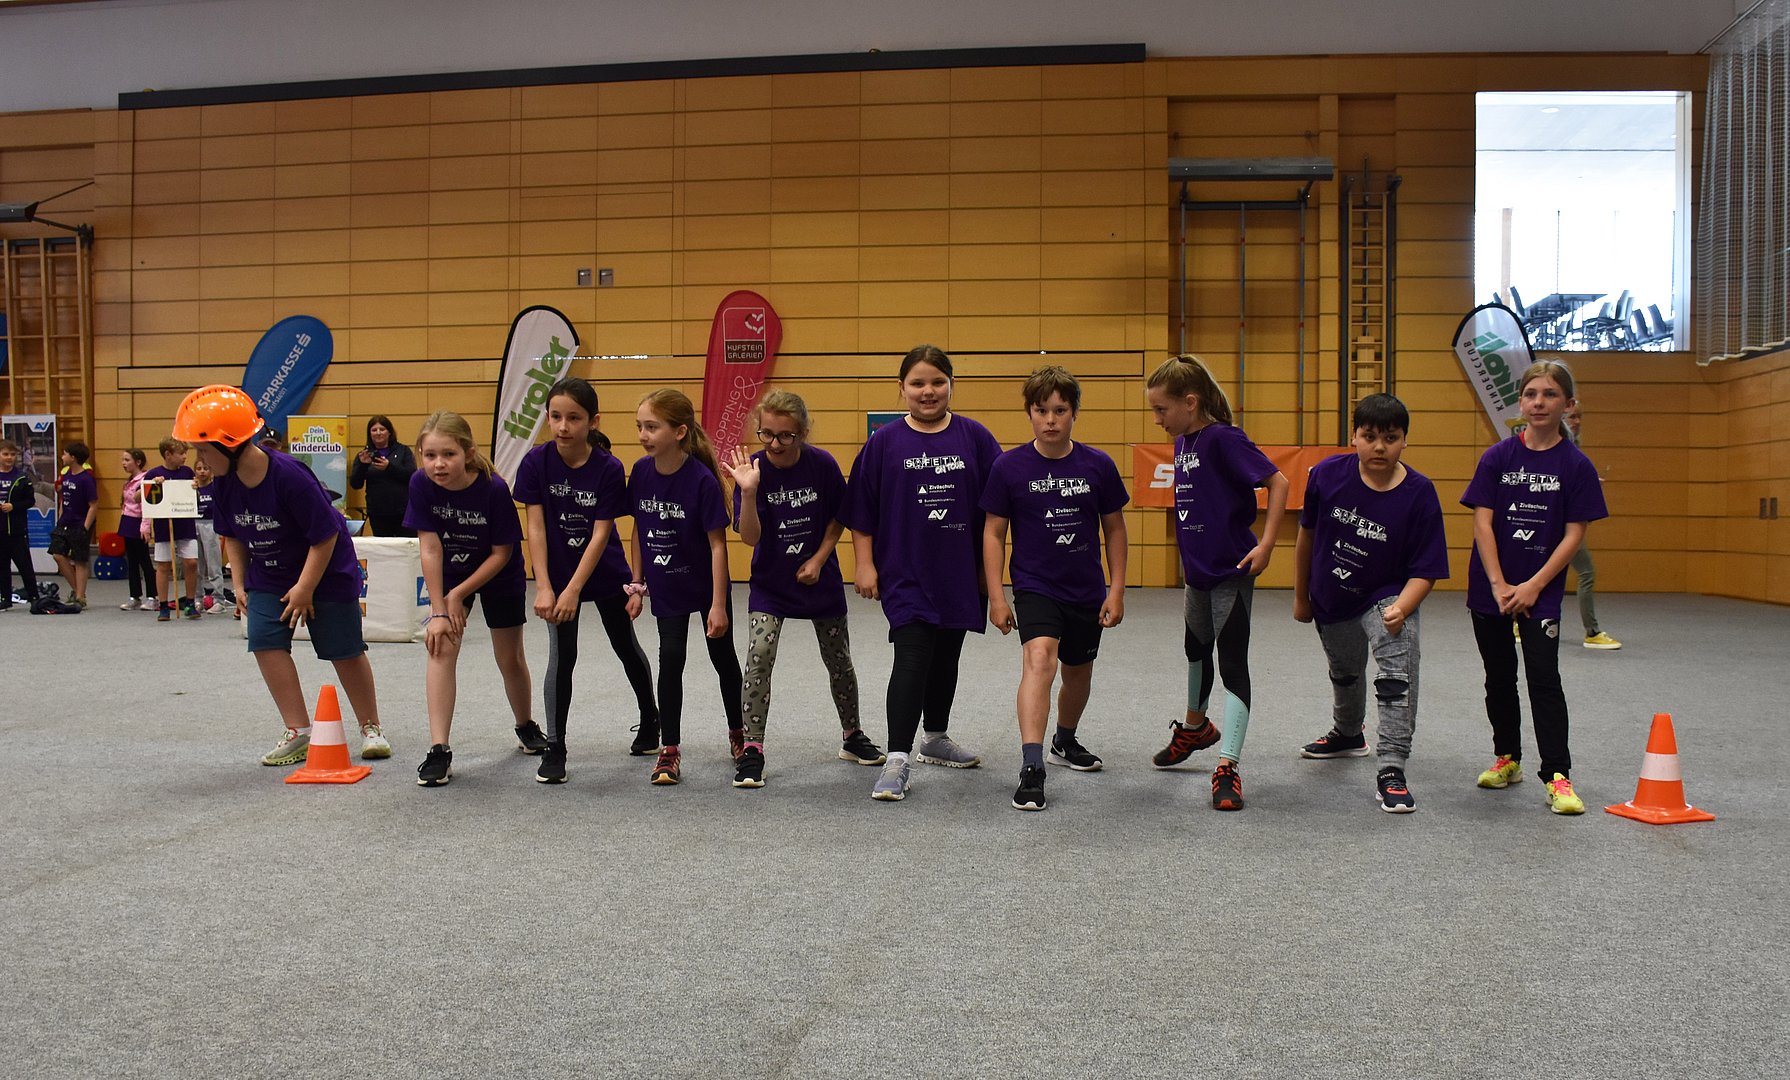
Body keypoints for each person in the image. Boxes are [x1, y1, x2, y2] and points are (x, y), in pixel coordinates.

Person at [172, 385, 390, 766]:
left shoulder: (290, 477)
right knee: (264, 640)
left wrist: (305, 588)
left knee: (344, 649)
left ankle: (370, 727)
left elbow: (325, 536)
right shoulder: (223, 484)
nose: (199, 460)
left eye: (203, 450)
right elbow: (232, 534)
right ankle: (298, 731)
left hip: (326, 571)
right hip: (270, 573)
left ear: (229, 445)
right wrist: (239, 582)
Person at [841, 344, 1002, 802]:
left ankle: (934, 737)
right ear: (902, 388)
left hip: (958, 570)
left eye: (937, 382)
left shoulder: (975, 438)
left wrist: (991, 578)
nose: (927, 391)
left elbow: (998, 508)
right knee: (912, 656)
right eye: (917, 383)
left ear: (952, 385)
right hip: (904, 570)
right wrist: (865, 564)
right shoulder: (884, 443)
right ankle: (896, 759)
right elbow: (861, 510)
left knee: (946, 655)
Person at [1144, 355, 1290, 810]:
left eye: (1162, 409)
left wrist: (1267, 544)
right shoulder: (1184, 441)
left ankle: (1228, 765)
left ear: (1190, 402)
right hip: (1198, 574)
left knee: (1232, 664)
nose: (1157, 419)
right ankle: (1195, 728)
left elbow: (1280, 483)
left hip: (1231, 571)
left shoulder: (1225, 438)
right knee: (1195, 649)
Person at [1461, 360, 1607, 816]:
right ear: (1521, 402)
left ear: (1568, 404)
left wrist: (1533, 586)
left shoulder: (1576, 466)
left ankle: (1557, 775)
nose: (1539, 402)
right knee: (1499, 677)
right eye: (1531, 394)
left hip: (1539, 594)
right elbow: (1482, 523)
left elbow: (1574, 534)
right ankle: (1508, 758)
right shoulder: (1497, 457)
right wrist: (1499, 583)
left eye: (1549, 394)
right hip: (1491, 589)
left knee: (1544, 680)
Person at [1293, 394, 1449, 813]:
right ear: (1354, 437)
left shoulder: (1420, 493)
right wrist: (1301, 595)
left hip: (1387, 594)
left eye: (1391, 438)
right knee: (1345, 672)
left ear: (1405, 441)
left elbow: (1428, 568)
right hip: (1332, 593)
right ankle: (1348, 733)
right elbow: (1307, 536)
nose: (1380, 447)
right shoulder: (1326, 475)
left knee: (1396, 676)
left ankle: (1392, 767)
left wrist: (1404, 606)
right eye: (1370, 437)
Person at [981, 366, 1128, 812]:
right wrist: (997, 596)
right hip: (1035, 586)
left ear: (1074, 413)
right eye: (1041, 410)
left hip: (1085, 589)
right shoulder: (1008, 467)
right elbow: (993, 533)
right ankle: (1032, 766)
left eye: (1060, 410)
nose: (1050, 419)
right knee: (1039, 660)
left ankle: (1065, 739)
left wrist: (1117, 589)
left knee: (1077, 672)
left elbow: (1115, 530)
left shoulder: (1098, 465)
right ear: (1029, 413)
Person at [724, 389, 885, 790]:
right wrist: (748, 492)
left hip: (819, 580)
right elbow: (749, 537)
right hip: (770, 584)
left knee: (839, 660)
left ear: (803, 433)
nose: (775, 444)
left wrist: (818, 559)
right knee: (759, 656)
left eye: (785, 436)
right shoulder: (752, 470)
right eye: (766, 434)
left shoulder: (822, 465)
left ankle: (852, 735)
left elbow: (837, 518)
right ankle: (753, 749)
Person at [515, 377, 661, 785]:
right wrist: (544, 585)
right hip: (557, 573)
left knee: (624, 645)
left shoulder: (608, 468)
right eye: (556, 416)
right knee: (562, 656)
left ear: (593, 421)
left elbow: (600, 535)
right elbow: (535, 528)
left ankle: (651, 719)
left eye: (574, 418)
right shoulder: (535, 463)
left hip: (603, 571)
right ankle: (556, 746)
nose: (563, 426)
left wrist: (574, 590)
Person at [405, 411, 542, 787]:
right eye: (430, 455)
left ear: (467, 453)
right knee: (440, 647)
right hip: (450, 570)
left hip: (498, 573)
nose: (438, 464)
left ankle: (526, 725)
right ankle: (439, 749)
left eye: (448, 454)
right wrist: (439, 610)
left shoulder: (493, 488)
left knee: (509, 657)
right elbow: (430, 548)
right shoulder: (420, 483)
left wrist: (459, 594)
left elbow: (501, 553)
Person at [629, 388, 742, 786]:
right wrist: (637, 583)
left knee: (722, 658)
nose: (643, 435)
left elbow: (717, 546)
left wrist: (718, 604)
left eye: (652, 427)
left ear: (679, 432)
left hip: (706, 583)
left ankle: (739, 733)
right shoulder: (640, 472)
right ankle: (670, 748)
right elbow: (638, 528)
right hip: (667, 584)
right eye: (640, 426)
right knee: (671, 658)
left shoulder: (701, 480)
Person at [1563, 401, 1620, 650]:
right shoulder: (1564, 447)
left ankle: (1518, 623)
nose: (1577, 422)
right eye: (1572, 417)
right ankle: (1592, 632)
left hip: (1561, 520)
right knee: (1586, 572)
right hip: (1563, 523)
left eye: (1579, 417)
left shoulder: (1569, 447)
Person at [141, 437, 202, 621]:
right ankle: (163, 606)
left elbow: (195, 496)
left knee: (191, 562)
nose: (185, 457)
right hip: (163, 525)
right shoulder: (154, 473)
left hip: (186, 523)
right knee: (163, 565)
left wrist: (196, 487)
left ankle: (190, 602)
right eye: (181, 453)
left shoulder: (187, 472)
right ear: (168, 455)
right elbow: (138, 497)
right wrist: (152, 485)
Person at [349, 414, 417, 538]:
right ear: (370, 434)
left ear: (389, 432)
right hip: (378, 513)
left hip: (403, 511)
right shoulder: (364, 455)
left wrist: (389, 467)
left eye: (382, 429)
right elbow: (355, 484)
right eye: (374, 430)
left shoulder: (403, 451)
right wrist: (363, 466)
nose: (378, 433)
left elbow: (411, 475)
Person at [48, 441, 96, 610]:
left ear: (73, 457)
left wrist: (85, 528)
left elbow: (93, 505)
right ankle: (77, 590)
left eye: (65, 454)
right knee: (57, 555)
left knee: (79, 560)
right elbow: (63, 499)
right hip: (65, 522)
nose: (62, 457)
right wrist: (60, 517)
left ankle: (80, 597)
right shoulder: (66, 475)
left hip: (79, 524)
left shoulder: (86, 478)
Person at [0, 439, 40, 611]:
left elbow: (30, 501)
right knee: (2, 566)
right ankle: (5, 598)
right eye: (5, 454)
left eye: (12, 454)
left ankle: (34, 597)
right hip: (0, 531)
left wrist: (14, 506)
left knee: (25, 566)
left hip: (16, 530)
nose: (9, 458)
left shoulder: (22, 477)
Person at [191, 455, 231, 608]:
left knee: (213, 565)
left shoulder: (215, 487)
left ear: (211, 471)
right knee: (197, 566)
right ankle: (198, 598)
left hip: (210, 525)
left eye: (205, 468)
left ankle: (218, 598)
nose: (202, 472)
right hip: (194, 524)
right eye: (199, 468)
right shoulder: (191, 489)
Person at [117, 449, 155, 611]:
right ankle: (135, 596)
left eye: (127, 460)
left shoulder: (144, 479)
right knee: (131, 562)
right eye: (123, 460)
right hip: (127, 521)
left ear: (138, 462)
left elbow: (147, 505)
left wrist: (145, 526)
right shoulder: (130, 481)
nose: (123, 463)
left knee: (144, 561)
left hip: (139, 523)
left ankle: (152, 596)